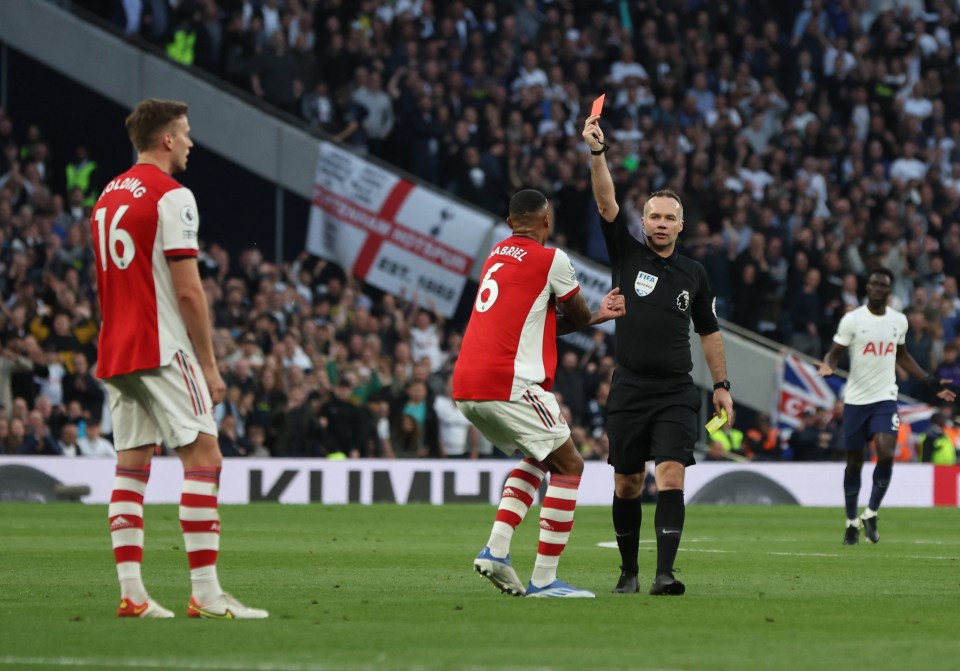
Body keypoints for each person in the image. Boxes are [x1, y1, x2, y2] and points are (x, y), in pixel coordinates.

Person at [91, 98, 267, 619]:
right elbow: (189, 292)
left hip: (116, 346)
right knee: (205, 459)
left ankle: (133, 593)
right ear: (166, 139)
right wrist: (210, 365)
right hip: (160, 344)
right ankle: (207, 593)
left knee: (131, 466)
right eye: (185, 133)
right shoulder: (173, 196)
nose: (191, 142)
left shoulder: (107, 195)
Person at [583, 114, 734, 596]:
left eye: (670, 217)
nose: (662, 223)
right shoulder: (627, 256)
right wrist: (598, 153)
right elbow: (605, 200)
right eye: (654, 216)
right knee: (627, 483)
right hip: (629, 386)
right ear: (643, 222)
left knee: (671, 474)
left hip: (675, 390)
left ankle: (664, 573)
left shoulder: (694, 273)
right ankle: (628, 572)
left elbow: (709, 332)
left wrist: (723, 386)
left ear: (681, 225)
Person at [453, 189, 625, 598]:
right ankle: (545, 579)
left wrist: (584, 317)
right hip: (509, 382)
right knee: (570, 465)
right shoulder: (553, 260)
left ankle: (496, 549)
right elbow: (579, 315)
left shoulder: (495, 255)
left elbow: (536, 324)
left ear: (510, 222)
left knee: (541, 456)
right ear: (547, 221)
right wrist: (599, 314)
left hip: (466, 385)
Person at [818, 267, 956, 545]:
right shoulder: (852, 320)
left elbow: (901, 356)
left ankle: (871, 512)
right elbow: (834, 353)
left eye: (883, 285)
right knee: (854, 462)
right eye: (873, 284)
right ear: (867, 288)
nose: (877, 288)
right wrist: (827, 366)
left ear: (889, 290)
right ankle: (850, 521)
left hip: (884, 398)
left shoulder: (898, 321)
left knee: (885, 451)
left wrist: (929, 380)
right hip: (856, 400)